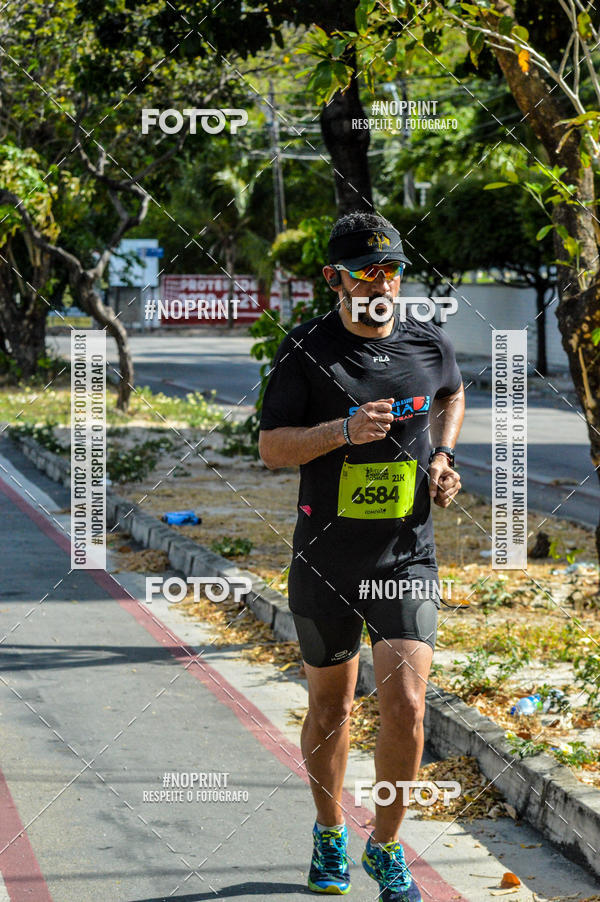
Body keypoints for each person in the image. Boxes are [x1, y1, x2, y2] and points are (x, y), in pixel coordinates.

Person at [258, 211, 464, 901]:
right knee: (332, 708)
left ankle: (386, 845)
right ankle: (327, 832)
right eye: (365, 273)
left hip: (405, 557)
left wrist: (441, 455)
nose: (382, 285)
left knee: (406, 704)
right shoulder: (304, 351)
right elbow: (272, 448)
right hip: (325, 561)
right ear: (333, 280)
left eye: (392, 271)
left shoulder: (427, 345)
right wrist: (342, 430)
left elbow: (451, 393)